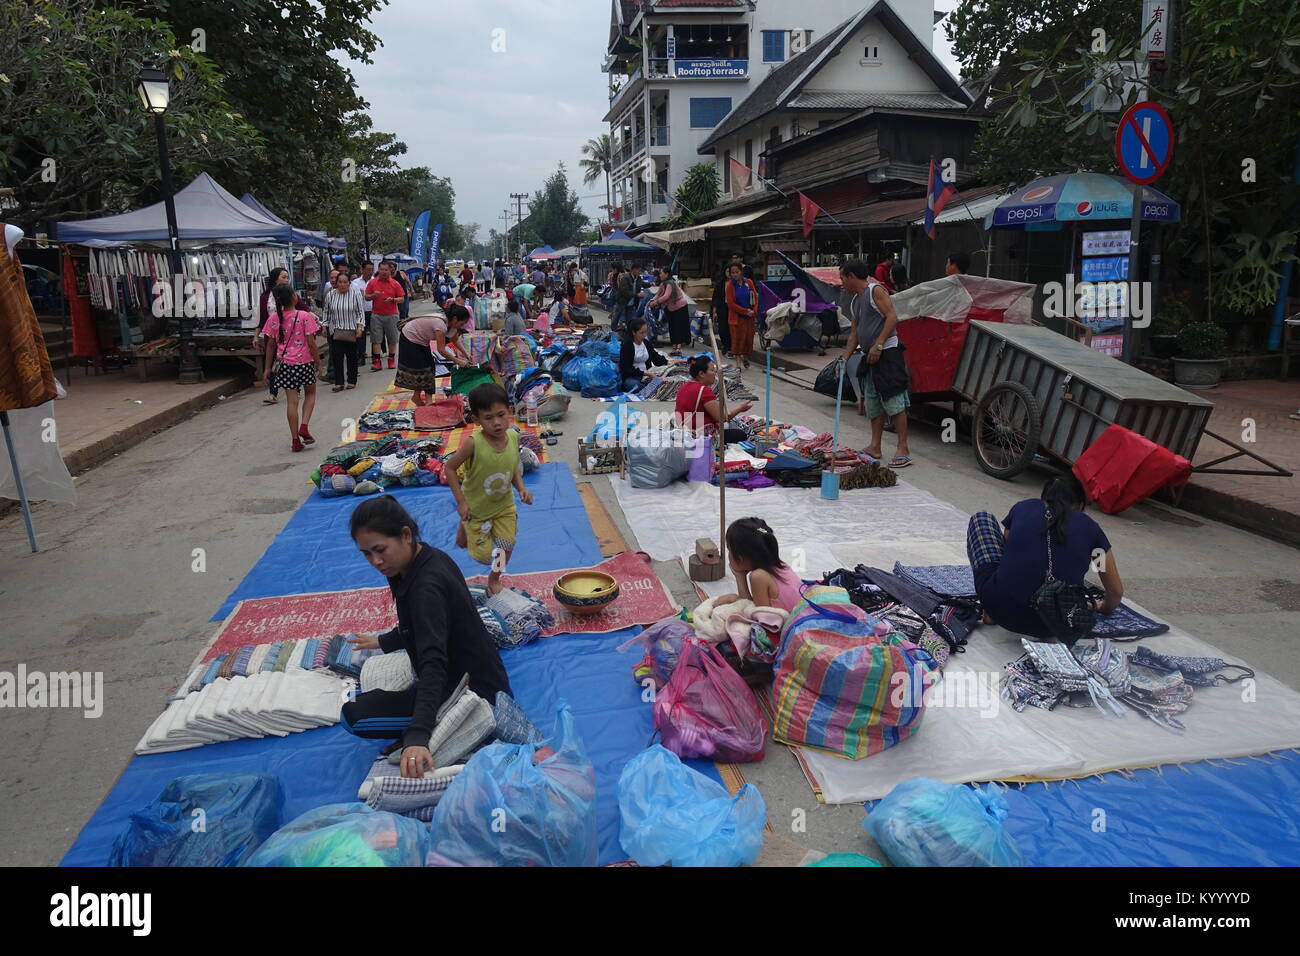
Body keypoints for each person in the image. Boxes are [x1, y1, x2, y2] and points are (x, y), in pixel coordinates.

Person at [342, 496, 512, 775]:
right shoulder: (420, 559)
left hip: (476, 695)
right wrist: (385, 641)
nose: (376, 561)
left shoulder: (425, 588)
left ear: (406, 535)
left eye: (380, 549)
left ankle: (454, 724)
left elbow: (433, 662)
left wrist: (418, 735)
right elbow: (422, 626)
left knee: (353, 716)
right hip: (479, 675)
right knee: (373, 693)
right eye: (366, 554)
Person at [966, 474, 1123, 643]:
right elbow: (1115, 591)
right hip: (1058, 622)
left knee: (981, 519)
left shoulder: (1024, 508)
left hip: (999, 608)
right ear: (1080, 506)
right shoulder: (1092, 530)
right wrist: (1104, 608)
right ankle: (1049, 634)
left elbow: (1007, 547)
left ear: (1044, 499)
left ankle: (990, 611)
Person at [445, 383, 533, 595]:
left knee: (507, 545)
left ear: (510, 412)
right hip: (477, 508)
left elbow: (512, 468)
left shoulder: (513, 437)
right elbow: (449, 468)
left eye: (501, 415)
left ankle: (494, 578)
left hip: (504, 507)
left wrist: (522, 488)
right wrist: (462, 503)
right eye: (488, 418)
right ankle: (464, 524)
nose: (496, 423)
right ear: (476, 420)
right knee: (482, 555)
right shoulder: (473, 444)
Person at [839, 258, 912, 468]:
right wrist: (844, 358)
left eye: (843, 278)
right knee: (873, 401)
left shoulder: (875, 291)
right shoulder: (855, 301)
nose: (841, 283)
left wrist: (878, 345)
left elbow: (892, 317)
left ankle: (903, 447)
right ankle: (875, 445)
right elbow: (854, 333)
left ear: (852, 276)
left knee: (894, 400)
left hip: (887, 353)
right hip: (868, 356)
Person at [260, 285, 322, 453]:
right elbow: (311, 343)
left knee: (292, 402)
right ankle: (304, 426)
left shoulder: (274, 318)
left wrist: (266, 368)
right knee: (310, 393)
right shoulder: (304, 316)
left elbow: (270, 346)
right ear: (294, 298)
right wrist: (319, 363)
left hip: (285, 365)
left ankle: (295, 440)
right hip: (304, 363)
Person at [713, 517, 805, 613]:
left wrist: (734, 599)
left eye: (729, 550)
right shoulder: (780, 565)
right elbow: (759, 604)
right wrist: (740, 576)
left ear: (740, 558)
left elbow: (762, 617)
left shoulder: (758, 576)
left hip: (798, 625)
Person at [395, 304, 471, 405]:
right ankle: (419, 398)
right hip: (410, 337)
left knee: (430, 368)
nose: (462, 326)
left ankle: (426, 400)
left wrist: (467, 355)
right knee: (422, 369)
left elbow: (455, 340)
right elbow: (441, 350)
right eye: (462, 323)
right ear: (455, 319)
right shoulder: (441, 325)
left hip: (422, 340)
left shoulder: (452, 325)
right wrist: (458, 361)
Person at [675, 355, 752, 443]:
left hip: (684, 430)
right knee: (740, 434)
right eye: (712, 370)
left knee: (731, 426)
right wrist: (740, 409)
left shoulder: (684, 386)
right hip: (699, 435)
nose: (714, 373)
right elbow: (721, 417)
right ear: (701, 374)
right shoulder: (704, 391)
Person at [322, 270, 366, 391]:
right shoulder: (330, 295)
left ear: (349, 283)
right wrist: (324, 326)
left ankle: (351, 380)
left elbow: (360, 312)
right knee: (337, 357)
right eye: (340, 282)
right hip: (336, 330)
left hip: (351, 330)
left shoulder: (355, 294)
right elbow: (326, 312)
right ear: (336, 283)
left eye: (345, 282)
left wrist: (360, 327)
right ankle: (339, 382)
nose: (342, 284)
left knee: (352, 356)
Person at [256, 266, 292, 404]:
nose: (286, 280)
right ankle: (273, 393)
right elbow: (262, 319)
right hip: (272, 335)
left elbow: (302, 308)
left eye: (287, 277)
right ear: (275, 279)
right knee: (272, 363)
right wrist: (256, 335)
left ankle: (295, 388)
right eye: (283, 277)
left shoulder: (289, 293)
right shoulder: (265, 297)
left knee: (290, 361)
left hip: (290, 334)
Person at [365, 260, 405, 371]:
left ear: (390, 270)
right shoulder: (373, 283)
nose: (383, 272)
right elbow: (366, 297)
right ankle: (377, 362)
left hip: (391, 315)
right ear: (378, 270)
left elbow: (402, 298)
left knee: (392, 338)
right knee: (376, 339)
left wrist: (393, 299)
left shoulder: (395, 283)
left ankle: (391, 359)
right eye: (381, 269)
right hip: (376, 314)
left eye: (385, 270)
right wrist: (374, 295)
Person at [649, 266, 690, 355]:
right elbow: (658, 294)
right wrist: (652, 301)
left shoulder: (670, 284)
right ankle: (674, 347)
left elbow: (666, 296)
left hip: (680, 308)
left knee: (677, 328)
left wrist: (656, 302)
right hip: (671, 308)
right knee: (672, 327)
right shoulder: (663, 284)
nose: (660, 275)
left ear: (666, 274)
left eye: (661, 273)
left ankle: (678, 348)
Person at [619, 317, 667, 393]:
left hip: (648, 375)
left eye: (646, 332)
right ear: (634, 332)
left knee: (668, 374)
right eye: (641, 333)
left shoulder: (646, 343)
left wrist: (668, 362)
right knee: (632, 384)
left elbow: (656, 358)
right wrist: (645, 373)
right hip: (634, 376)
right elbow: (627, 368)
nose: (644, 335)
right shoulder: (627, 346)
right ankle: (653, 388)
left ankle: (653, 387)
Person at [724, 262, 759, 369]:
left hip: (749, 318)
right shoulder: (730, 286)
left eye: (737, 272)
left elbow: (756, 297)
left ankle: (746, 358)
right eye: (732, 273)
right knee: (737, 340)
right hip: (736, 318)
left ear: (741, 272)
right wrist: (745, 311)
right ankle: (738, 364)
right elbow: (731, 304)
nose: (735, 274)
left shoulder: (749, 282)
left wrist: (754, 310)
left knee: (748, 339)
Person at [351, 260, 375, 369]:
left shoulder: (375, 281)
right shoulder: (355, 283)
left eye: (372, 269)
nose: (370, 272)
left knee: (375, 334)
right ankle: (361, 356)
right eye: (368, 269)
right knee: (361, 335)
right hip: (361, 312)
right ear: (362, 270)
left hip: (374, 311)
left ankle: (376, 355)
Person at [710, 264, 731, 355]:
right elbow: (715, 298)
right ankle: (725, 345)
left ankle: (731, 347)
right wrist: (714, 311)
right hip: (722, 308)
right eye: (728, 271)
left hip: (734, 309)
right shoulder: (720, 284)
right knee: (723, 328)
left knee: (732, 329)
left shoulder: (738, 283)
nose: (730, 274)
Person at [612, 263, 636, 330]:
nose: (612, 270)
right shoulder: (624, 275)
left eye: (613, 269)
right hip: (627, 298)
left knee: (618, 313)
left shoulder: (621, 275)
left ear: (616, 269)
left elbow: (620, 288)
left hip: (623, 298)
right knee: (626, 314)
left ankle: (615, 328)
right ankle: (626, 328)